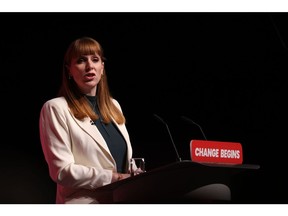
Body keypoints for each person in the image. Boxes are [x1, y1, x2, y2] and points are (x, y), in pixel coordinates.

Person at [39, 37, 142, 204]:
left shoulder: (114, 106)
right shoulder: (55, 108)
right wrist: (114, 178)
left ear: (102, 67)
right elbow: (62, 171)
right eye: (81, 60)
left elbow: (122, 162)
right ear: (69, 70)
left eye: (95, 59)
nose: (89, 66)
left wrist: (137, 175)